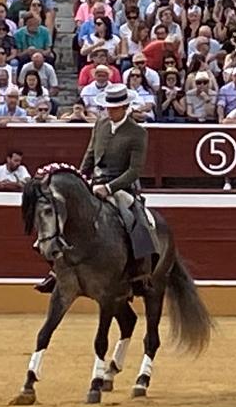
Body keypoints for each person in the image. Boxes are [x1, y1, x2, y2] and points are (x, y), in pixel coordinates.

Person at [40, 84, 156, 293]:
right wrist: (80, 179)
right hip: (94, 182)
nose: (109, 111)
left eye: (114, 108)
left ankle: (141, 273)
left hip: (121, 188)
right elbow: (90, 155)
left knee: (136, 219)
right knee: (64, 218)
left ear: (125, 107)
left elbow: (134, 171)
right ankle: (58, 270)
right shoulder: (100, 125)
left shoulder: (138, 132)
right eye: (107, 107)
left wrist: (109, 188)